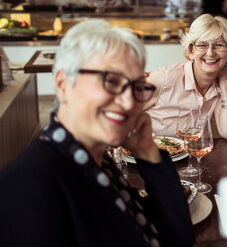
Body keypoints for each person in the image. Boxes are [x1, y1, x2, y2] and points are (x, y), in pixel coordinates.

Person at [0, 20, 195, 246]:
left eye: (137, 86)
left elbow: (178, 237)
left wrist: (148, 152)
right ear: (63, 85)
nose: (128, 101)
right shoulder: (30, 185)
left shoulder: (98, 165)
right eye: (110, 81)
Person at [144, 14, 227, 139]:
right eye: (202, 45)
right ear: (191, 51)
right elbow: (118, 108)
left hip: (190, 156)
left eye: (219, 45)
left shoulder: (219, 86)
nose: (210, 53)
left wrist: (226, 78)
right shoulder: (164, 79)